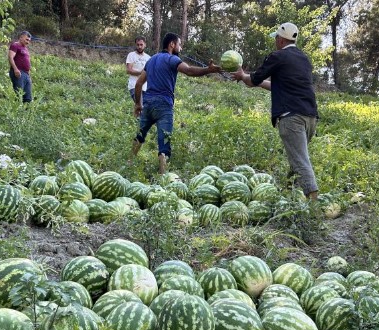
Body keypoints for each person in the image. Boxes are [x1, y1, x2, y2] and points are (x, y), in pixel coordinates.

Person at [230, 22, 319, 200]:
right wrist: (250, 80)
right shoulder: (303, 59)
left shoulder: (277, 56)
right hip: (310, 117)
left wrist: (243, 76)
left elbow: (253, 80)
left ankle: (314, 204)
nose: (275, 42)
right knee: (297, 158)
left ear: (280, 40)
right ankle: (287, 195)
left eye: (276, 38)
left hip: (291, 117)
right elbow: (278, 85)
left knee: (300, 161)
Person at [131, 32, 222, 174]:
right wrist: (208, 70)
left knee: (140, 135)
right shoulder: (171, 59)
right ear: (172, 44)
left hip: (148, 103)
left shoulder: (152, 60)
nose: (180, 48)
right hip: (164, 105)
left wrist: (138, 104)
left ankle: (129, 163)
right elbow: (189, 71)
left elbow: (138, 84)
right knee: (164, 142)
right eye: (179, 44)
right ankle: (162, 176)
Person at [8, 31, 33, 103]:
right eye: (26, 40)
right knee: (19, 95)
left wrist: (29, 76)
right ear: (21, 37)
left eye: (29, 40)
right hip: (18, 73)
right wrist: (15, 69)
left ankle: (26, 113)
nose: (28, 42)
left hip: (26, 74)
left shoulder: (25, 49)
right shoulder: (15, 45)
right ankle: (17, 112)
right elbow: (10, 57)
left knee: (28, 98)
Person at [126, 36, 151, 101]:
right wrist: (141, 72)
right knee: (141, 106)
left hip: (145, 88)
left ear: (145, 45)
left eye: (141, 45)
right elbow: (129, 70)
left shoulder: (148, 58)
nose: (139, 47)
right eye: (138, 45)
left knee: (142, 108)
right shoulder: (131, 55)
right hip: (134, 86)